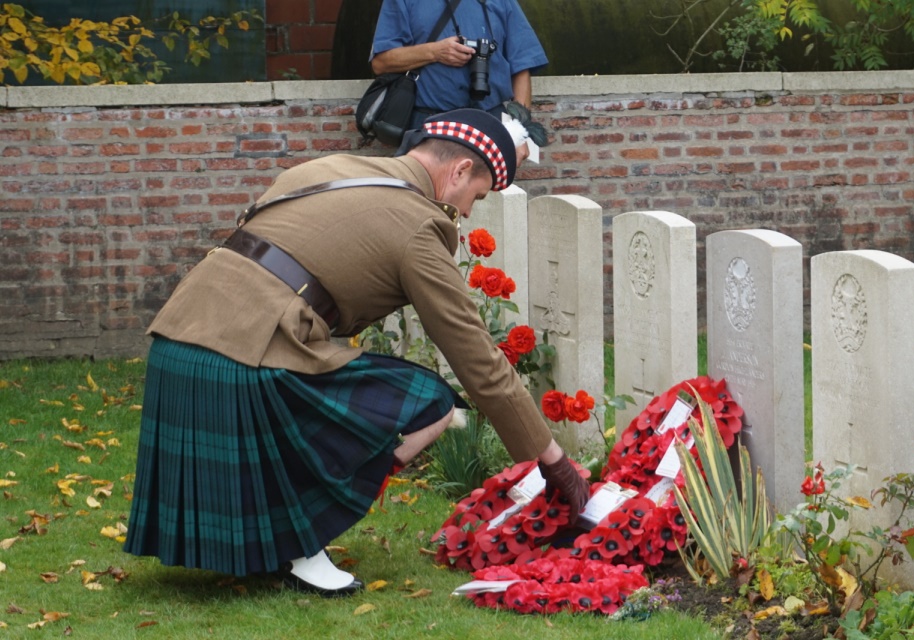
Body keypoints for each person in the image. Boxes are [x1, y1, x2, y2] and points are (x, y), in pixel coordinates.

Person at [123, 109, 590, 598]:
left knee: (341, 382)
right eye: (476, 195)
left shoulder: (330, 167)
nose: (470, 212)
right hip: (243, 362)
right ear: (458, 171)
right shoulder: (418, 227)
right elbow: (480, 364)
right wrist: (551, 461)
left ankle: (282, 537)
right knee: (430, 402)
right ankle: (306, 539)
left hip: (178, 348)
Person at [370, 0, 547, 129]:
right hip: (428, 122)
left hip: (491, 120)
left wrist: (520, 130)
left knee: (491, 182)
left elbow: (522, 65)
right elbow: (381, 63)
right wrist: (435, 52)